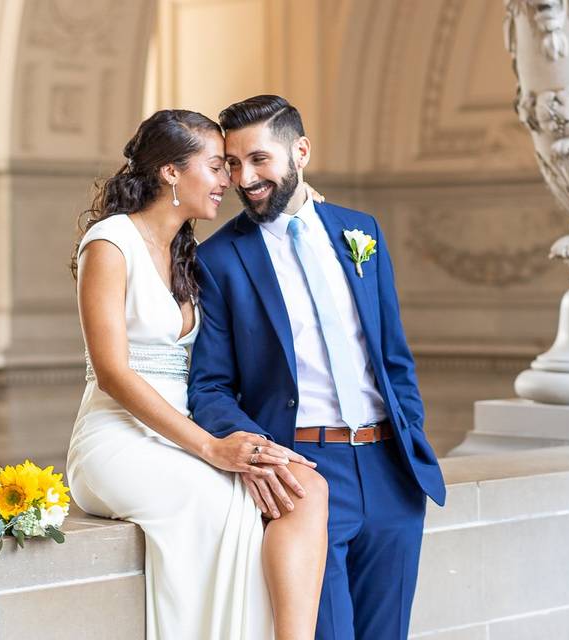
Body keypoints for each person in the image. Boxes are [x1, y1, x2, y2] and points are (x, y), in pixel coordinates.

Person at [189, 95, 447, 640]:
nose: (245, 178)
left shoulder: (362, 232)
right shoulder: (217, 260)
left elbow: (393, 355)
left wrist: (411, 433)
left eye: (260, 159)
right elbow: (210, 387)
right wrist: (267, 458)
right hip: (302, 473)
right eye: (233, 163)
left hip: (390, 472)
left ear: (300, 151)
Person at [65, 109, 328, 640]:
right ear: (170, 173)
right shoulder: (110, 243)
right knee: (222, 501)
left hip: (181, 435)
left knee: (296, 487)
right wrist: (212, 448)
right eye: (216, 167)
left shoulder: (187, 251)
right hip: (117, 439)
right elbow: (113, 374)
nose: (229, 181)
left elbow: (266, 229)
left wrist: (303, 205)